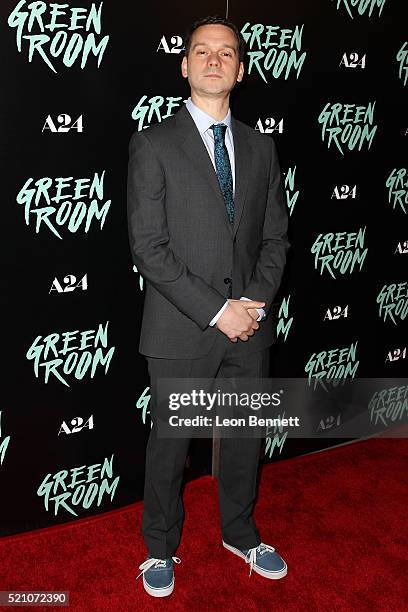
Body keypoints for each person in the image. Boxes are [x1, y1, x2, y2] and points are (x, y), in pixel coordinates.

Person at [127, 15, 290, 598]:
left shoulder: (261, 147)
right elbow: (148, 247)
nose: (214, 59)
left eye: (226, 52)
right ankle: (159, 547)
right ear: (184, 65)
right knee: (171, 447)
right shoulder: (153, 143)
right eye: (202, 51)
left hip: (249, 327)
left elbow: (275, 239)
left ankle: (241, 533)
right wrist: (218, 309)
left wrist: (256, 302)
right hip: (181, 327)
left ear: (241, 70)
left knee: (244, 439)